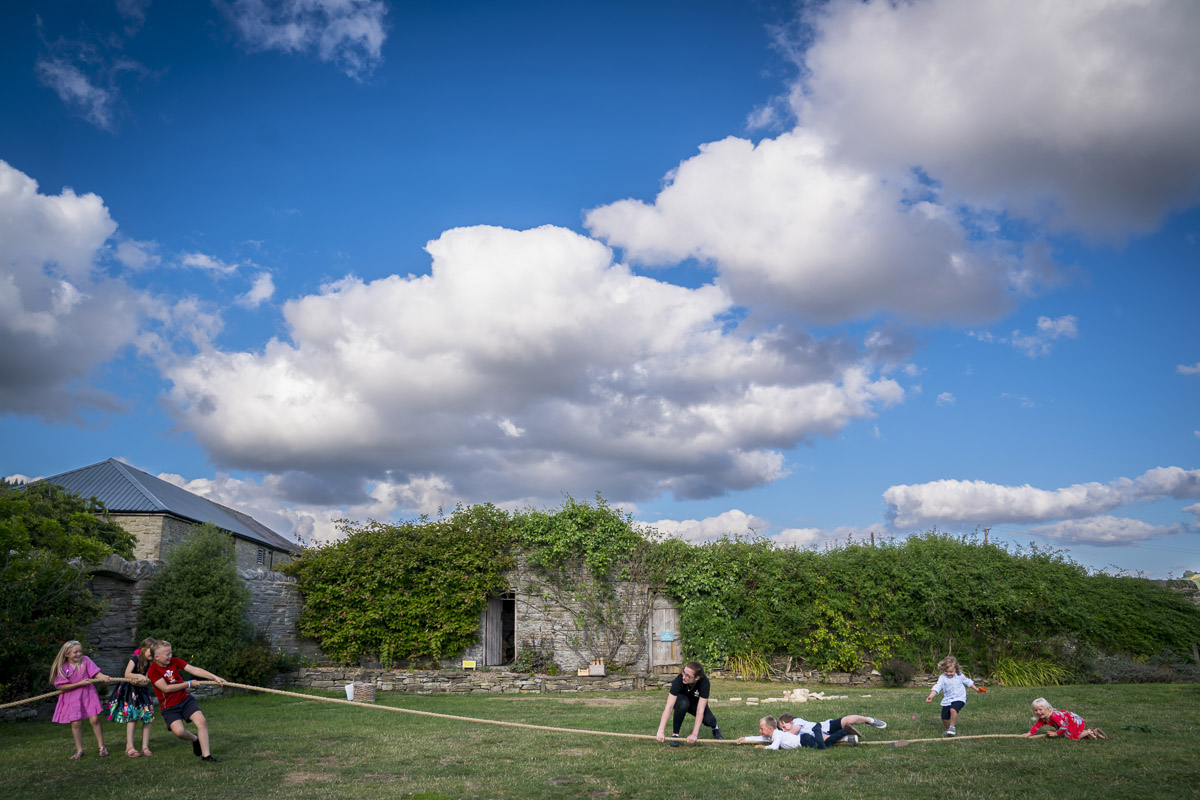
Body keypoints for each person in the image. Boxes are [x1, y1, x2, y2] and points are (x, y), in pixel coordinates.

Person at [145, 640, 227, 762]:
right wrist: (188, 683)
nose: (170, 656)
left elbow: (194, 670)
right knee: (179, 732)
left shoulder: (175, 661)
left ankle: (206, 756)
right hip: (169, 707)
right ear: (156, 657)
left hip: (185, 700)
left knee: (201, 721)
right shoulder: (153, 671)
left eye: (170, 653)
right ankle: (195, 739)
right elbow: (166, 688)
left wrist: (215, 677)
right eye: (167, 654)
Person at [49, 640, 112, 760]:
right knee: (76, 722)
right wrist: (79, 683)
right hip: (72, 697)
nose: (78, 654)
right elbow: (62, 686)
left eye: (80, 651)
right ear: (66, 654)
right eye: (75, 652)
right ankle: (79, 750)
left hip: (88, 694)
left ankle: (102, 747)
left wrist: (103, 677)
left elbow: (96, 673)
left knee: (95, 719)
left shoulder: (85, 660)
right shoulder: (62, 668)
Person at [107, 637, 158, 757]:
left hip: (143, 690)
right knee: (132, 718)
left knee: (147, 717)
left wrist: (139, 682)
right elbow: (127, 673)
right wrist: (136, 677)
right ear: (144, 649)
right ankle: (129, 746)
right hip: (131, 691)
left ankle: (145, 747)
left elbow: (145, 681)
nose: (153, 654)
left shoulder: (151, 663)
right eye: (151, 651)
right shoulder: (134, 658)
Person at [655, 661, 722, 746]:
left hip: (696, 703)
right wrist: (660, 731)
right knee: (683, 703)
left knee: (709, 720)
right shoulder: (679, 680)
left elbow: (700, 710)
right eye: (684, 672)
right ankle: (675, 735)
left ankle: (715, 728)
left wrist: (694, 734)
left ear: (697, 678)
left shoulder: (704, 683)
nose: (684, 677)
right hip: (681, 701)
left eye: (688, 676)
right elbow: (669, 707)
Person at [925, 655, 984, 736]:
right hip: (948, 699)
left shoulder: (960, 676)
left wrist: (977, 689)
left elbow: (968, 682)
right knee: (944, 719)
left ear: (956, 669)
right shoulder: (942, 678)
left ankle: (952, 727)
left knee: (953, 709)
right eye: (946, 671)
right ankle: (949, 730)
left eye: (951, 672)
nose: (949, 673)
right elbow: (937, 687)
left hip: (960, 698)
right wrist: (931, 696)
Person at [778, 712, 887, 748]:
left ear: (791, 721)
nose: (783, 730)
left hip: (825, 726)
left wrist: (779, 734)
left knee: (848, 719)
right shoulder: (791, 734)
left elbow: (794, 732)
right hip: (819, 735)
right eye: (781, 729)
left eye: (784, 726)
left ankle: (870, 720)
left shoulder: (797, 722)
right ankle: (847, 738)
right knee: (825, 741)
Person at [1023, 697, 1106, 740]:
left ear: (1047, 709)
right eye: (1035, 710)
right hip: (1068, 722)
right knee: (1073, 734)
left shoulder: (1054, 716)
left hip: (1071, 722)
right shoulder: (1044, 718)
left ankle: (1089, 731)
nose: (1038, 712)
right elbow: (1037, 726)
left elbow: (1064, 727)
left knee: (1071, 736)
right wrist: (1029, 733)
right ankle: (1095, 732)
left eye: (1040, 709)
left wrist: (1056, 734)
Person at [736, 716, 800, 749]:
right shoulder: (770, 735)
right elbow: (759, 738)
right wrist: (745, 738)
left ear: (770, 729)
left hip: (805, 740)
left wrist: (763, 747)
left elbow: (774, 747)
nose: (760, 731)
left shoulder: (777, 735)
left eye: (762, 729)